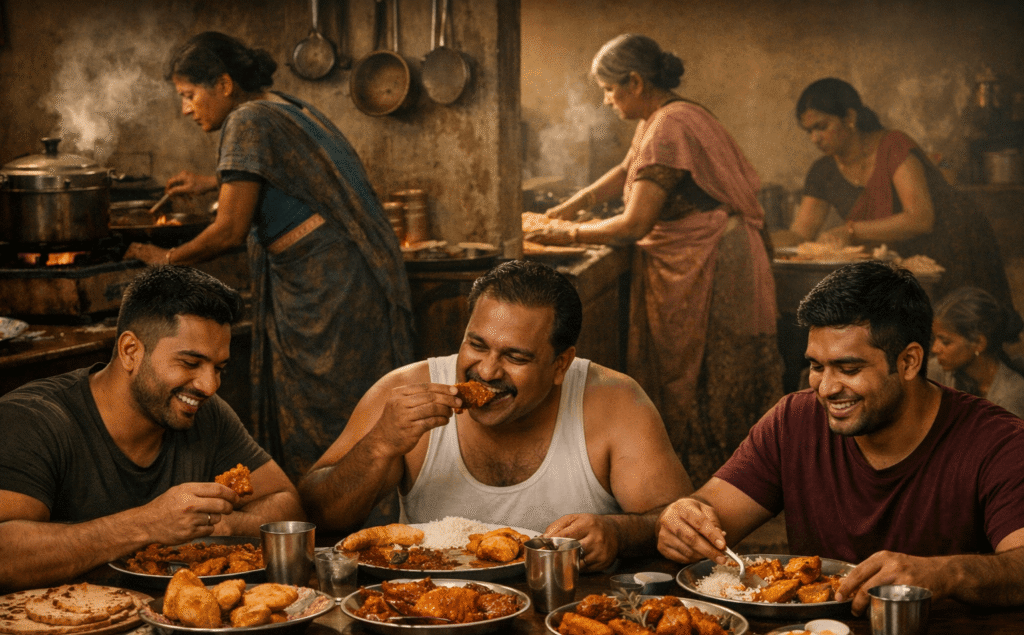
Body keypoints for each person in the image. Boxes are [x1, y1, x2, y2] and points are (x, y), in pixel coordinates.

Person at [656, 260, 1024, 615]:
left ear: (909, 362)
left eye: (849, 369)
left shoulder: (998, 441)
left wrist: (946, 573)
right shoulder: (793, 421)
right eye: (817, 366)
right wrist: (684, 518)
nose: (827, 388)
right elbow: (710, 513)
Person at [125, 32, 415, 482]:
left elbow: (229, 231)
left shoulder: (248, 120)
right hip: (347, 276)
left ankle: (329, 516)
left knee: (328, 405)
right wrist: (211, 183)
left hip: (322, 288)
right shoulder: (282, 103)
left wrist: (167, 259)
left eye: (188, 95)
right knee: (354, 400)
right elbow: (284, 181)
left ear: (223, 84)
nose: (185, 108)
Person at [298, 260, 693, 571]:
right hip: (431, 616)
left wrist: (617, 533)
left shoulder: (616, 402)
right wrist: (380, 444)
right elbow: (317, 517)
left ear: (560, 365)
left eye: (515, 356)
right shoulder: (401, 391)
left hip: (564, 617)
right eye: (477, 345)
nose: (486, 371)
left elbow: (679, 522)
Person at [525, 34, 783, 486]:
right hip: (715, 252)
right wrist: (570, 206)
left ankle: (728, 484)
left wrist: (561, 231)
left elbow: (633, 226)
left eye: (609, 89)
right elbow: (628, 171)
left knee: (712, 371)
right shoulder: (665, 117)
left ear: (636, 82)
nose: (606, 101)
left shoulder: (670, 124)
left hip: (717, 262)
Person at [0, 266, 305, 592]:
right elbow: (5, 556)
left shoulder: (206, 413)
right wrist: (147, 524)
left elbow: (287, 505)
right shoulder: (33, 419)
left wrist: (218, 526)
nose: (209, 385)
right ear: (131, 351)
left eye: (219, 369)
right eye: (190, 363)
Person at [784, 77, 1015, 310]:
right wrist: (759, 239)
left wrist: (850, 231)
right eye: (809, 131)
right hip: (905, 267)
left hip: (953, 250)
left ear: (850, 118)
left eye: (821, 127)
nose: (815, 138)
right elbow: (801, 234)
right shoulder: (823, 171)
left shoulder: (893, 146)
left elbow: (920, 218)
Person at [930, 286, 1024, 418]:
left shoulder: (1011, 394)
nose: (935, 349)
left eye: (945, 342)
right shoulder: (935, 371)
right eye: (935, 339)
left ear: (979, 343)